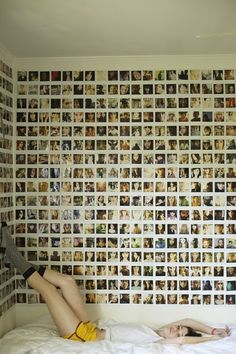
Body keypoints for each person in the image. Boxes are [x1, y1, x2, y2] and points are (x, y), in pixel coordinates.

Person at [0, 223, 230, 344]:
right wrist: (212, 328)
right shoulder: (153, 329)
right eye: (177, 327)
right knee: (68, 282)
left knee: (50, 291)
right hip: (89, 326)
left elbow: (184, 339)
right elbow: (188, 320)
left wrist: (211, 338)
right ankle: (19, 263)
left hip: (83, 337)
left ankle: (13, 256)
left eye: (178, 331)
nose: (176, 328)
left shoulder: (160, 342)